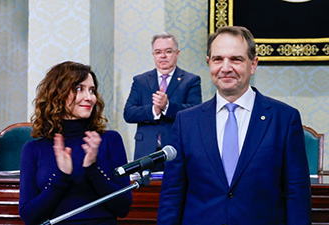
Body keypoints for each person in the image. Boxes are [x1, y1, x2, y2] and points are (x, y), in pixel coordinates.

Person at [157, 26, 311, 224]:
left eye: (236, 59)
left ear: (253, 64)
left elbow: (297, 194)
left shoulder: (284, 119)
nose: (226, 68)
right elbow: (172, 195)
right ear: (209, 63)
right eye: (218, 59)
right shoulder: (186, 121)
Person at [19, 61, 132, 225]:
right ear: (58, 93)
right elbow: (29, 216)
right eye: (79, 89)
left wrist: (93, 170)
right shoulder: (33, 149)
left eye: (92, 90)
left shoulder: (110, 140)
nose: (89, 97)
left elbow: (123, 208)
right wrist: (61, 178)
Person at [124, 32, 202, 166]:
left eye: (168, 51)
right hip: (145, 151)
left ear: (177, 53)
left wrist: (167, 106)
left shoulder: (191, 80)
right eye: (158, 52)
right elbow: (129, 113)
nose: (163, 56)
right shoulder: (140, 81)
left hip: (176, 149)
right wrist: (154, 110)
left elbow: (195, 114)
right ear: (153, 55)